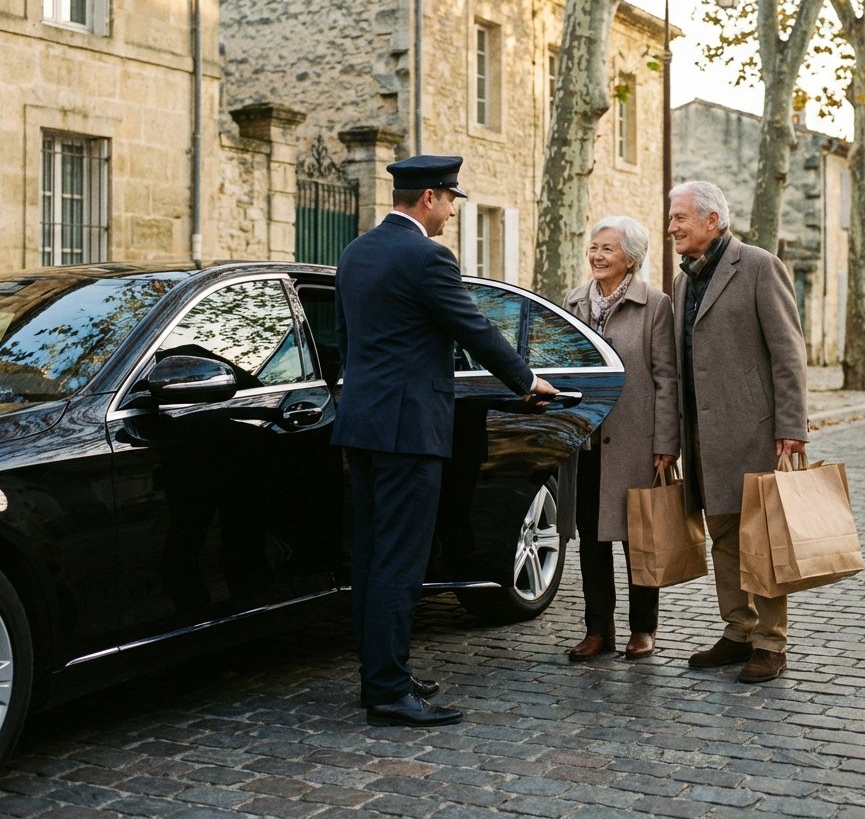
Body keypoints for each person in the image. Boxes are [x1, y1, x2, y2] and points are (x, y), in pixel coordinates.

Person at [333, 154, 559, 727]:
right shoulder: (428, 257)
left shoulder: (355, 253)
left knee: (370, 555)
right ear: (430, 197)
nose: (452, 213)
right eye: (452, 201)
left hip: (361, 426)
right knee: (401, 563)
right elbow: (474, 328)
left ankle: (380, 674)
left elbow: (346, 341)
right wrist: (527, 379)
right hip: (409, 431)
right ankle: (387, 691)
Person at [668, 180, 808, 684]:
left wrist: (792, 426)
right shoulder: (684, 280)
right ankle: (738, 631)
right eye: (671, 218)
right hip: (702, 433)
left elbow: (789, 354)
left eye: (680, 217)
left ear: (713, 220)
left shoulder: (758, 266)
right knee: (723, 535)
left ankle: (772, 642)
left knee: (763, 539)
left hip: (755, 431)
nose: (672, 227)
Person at [562, 216, 679, 662]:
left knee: (639, 539)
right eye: (594, 247)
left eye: (607, 249)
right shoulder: (574, 302)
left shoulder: (654, 304)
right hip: (587, 441)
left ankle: (643, 628)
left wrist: (666, 442)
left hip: (636, 441)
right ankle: (598, 629)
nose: (597, 256)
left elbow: (667, 378)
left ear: (630, 257)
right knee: (591, 540)